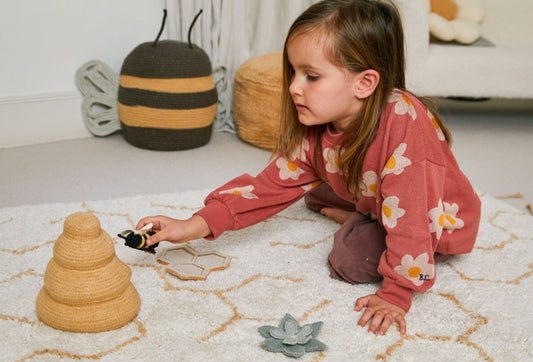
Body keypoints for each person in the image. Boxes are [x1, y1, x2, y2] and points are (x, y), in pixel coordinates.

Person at [137, 0, 481, 336]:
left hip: (433, 220)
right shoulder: (323, 123)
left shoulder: (405, 125)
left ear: (364, 83)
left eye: (311, 76)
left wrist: (398, 293)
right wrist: (192, 225)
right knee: (311, 191)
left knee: (349, 257)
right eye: (294, 72)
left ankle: (362, 222)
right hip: (377, 195)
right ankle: (361, 214)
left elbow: (412, 217)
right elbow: (267, 187)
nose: (293, 87)